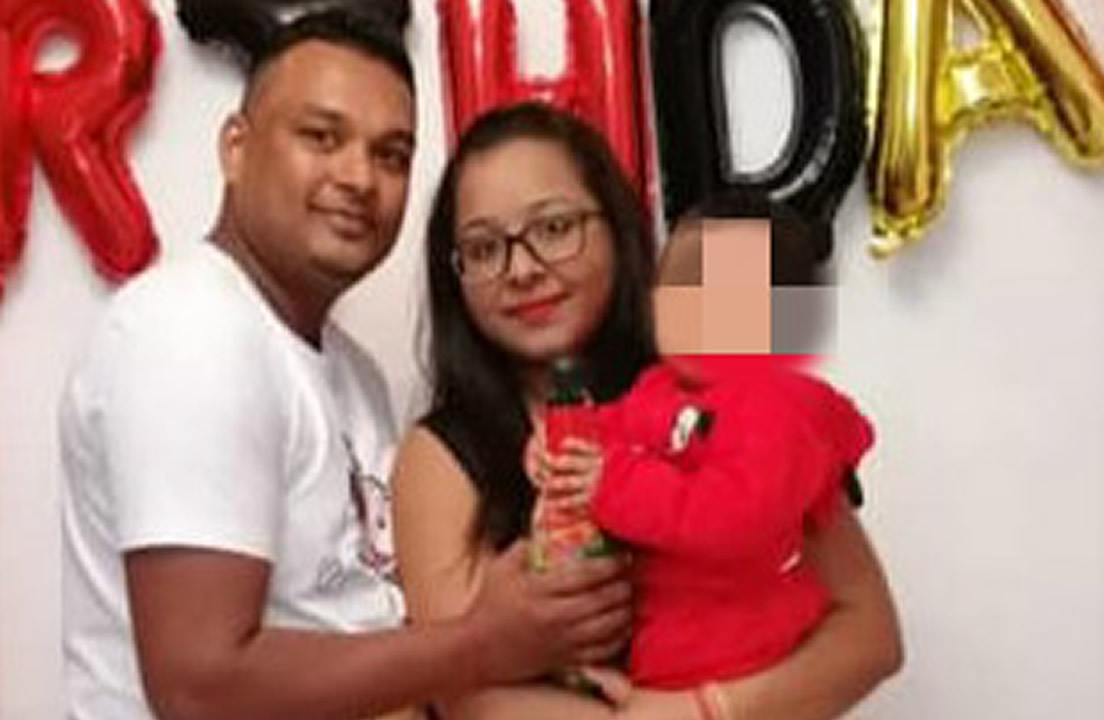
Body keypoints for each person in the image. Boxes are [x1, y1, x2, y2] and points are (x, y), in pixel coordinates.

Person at [60, 15, 632, 720]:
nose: (359, 177)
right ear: (236, 148)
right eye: (321, 137)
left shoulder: (350, 373)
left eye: (391, 154)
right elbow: (200, 685)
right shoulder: (187, 330)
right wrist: (483, 642)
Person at [392, 101, 903, 719]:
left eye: (554, 228)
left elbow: (870, 637)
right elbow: (466, 695)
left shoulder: (717, 389)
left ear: (617, 226)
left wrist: (703, 710)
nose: (521, 269)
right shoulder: (441, 455)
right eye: (482, 248)